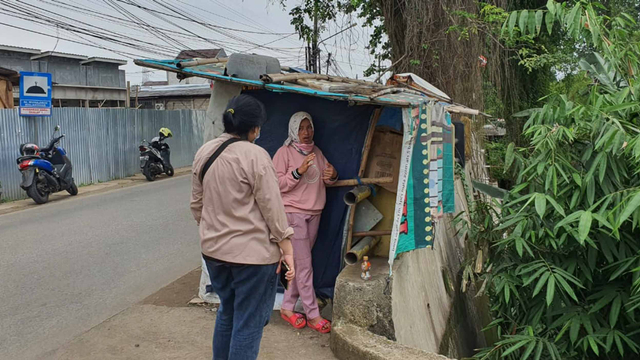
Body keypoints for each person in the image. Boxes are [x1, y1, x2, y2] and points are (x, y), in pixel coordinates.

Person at [190, 95, 296, 360]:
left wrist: (217, 229)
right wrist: (287, 248)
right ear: (255, 128)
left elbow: (196, 206)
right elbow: (273, 209)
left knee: (228, 311)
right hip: (253, 259)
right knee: (248, 322)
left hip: (214, 253)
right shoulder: (256, 156)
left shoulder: (205, 151)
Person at [273, 111, 337, 334]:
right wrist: (298, 172)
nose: (306, 133)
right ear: (293, 130)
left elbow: (325, 179)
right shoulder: (284, 153)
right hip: (293, 214)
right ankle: (313, 314)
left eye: (309, 127)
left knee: (300, 265)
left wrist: (332, 174)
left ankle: (287, 307)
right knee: (305, 266)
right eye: (301, 128)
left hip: (315, 212)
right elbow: (277, 184)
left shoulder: (317, 152)